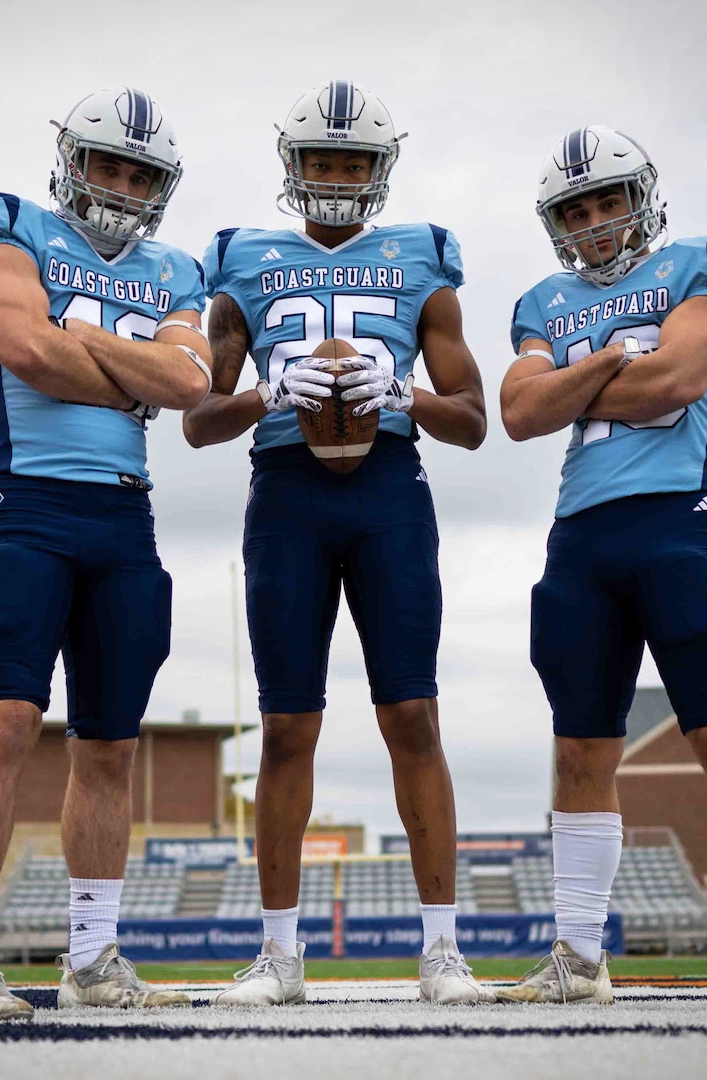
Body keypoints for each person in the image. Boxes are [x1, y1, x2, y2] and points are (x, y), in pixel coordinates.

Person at [183, 80, 492, 1006]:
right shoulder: (238, 258)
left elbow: (474, 420)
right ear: (293, 164)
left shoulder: (423, 258)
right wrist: (269, 396)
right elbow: (198, 419)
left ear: (380, 168)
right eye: (322, 159)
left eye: (353, 161)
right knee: (286, 726)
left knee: (413, 717)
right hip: (285, 494)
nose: (336, 176)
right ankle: (279, 955)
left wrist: (399, 394)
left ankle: (441, 951)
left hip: (390, 490)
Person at [496, 126, 707, 1010]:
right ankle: (578, 956)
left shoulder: (706, 263)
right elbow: (518, 411)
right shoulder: (542, 298)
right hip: (579, 538)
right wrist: (610, 359)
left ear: (642, 197)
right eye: (575, 210)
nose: (594, 222)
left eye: (607, 201)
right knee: (578, 747)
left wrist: (574, 379)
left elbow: (674, 383)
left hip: (681, 521)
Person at [0, 87, 213, 1018]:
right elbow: (22, 348)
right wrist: (119, 369)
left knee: (110, 748)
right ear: (71, 161)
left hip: (124, 519)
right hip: (26, 505)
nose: (121, 184)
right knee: (2, 723)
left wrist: (82, 337)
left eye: (140, 173)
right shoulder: (8, 225)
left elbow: (185, 385)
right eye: (107, 164)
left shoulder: (172, 267)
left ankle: (92, 959)